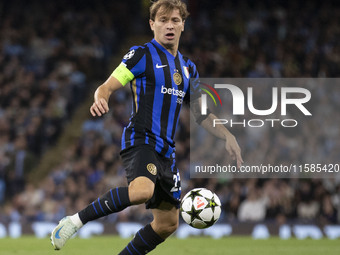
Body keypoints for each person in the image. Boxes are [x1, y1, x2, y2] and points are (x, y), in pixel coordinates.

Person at [50, 0, 243, 254]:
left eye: (175, 20)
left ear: (183, 25)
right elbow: (107, 85)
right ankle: (74, 221)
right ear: (152, 25)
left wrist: (228, 135)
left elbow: (201, 113)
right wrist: (101, 97)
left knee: (167, 224)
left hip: (166, 151)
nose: (169, 26)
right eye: (163, 20)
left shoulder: (188, 69)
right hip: (141, 138)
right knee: (142, 190)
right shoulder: (141, 55)